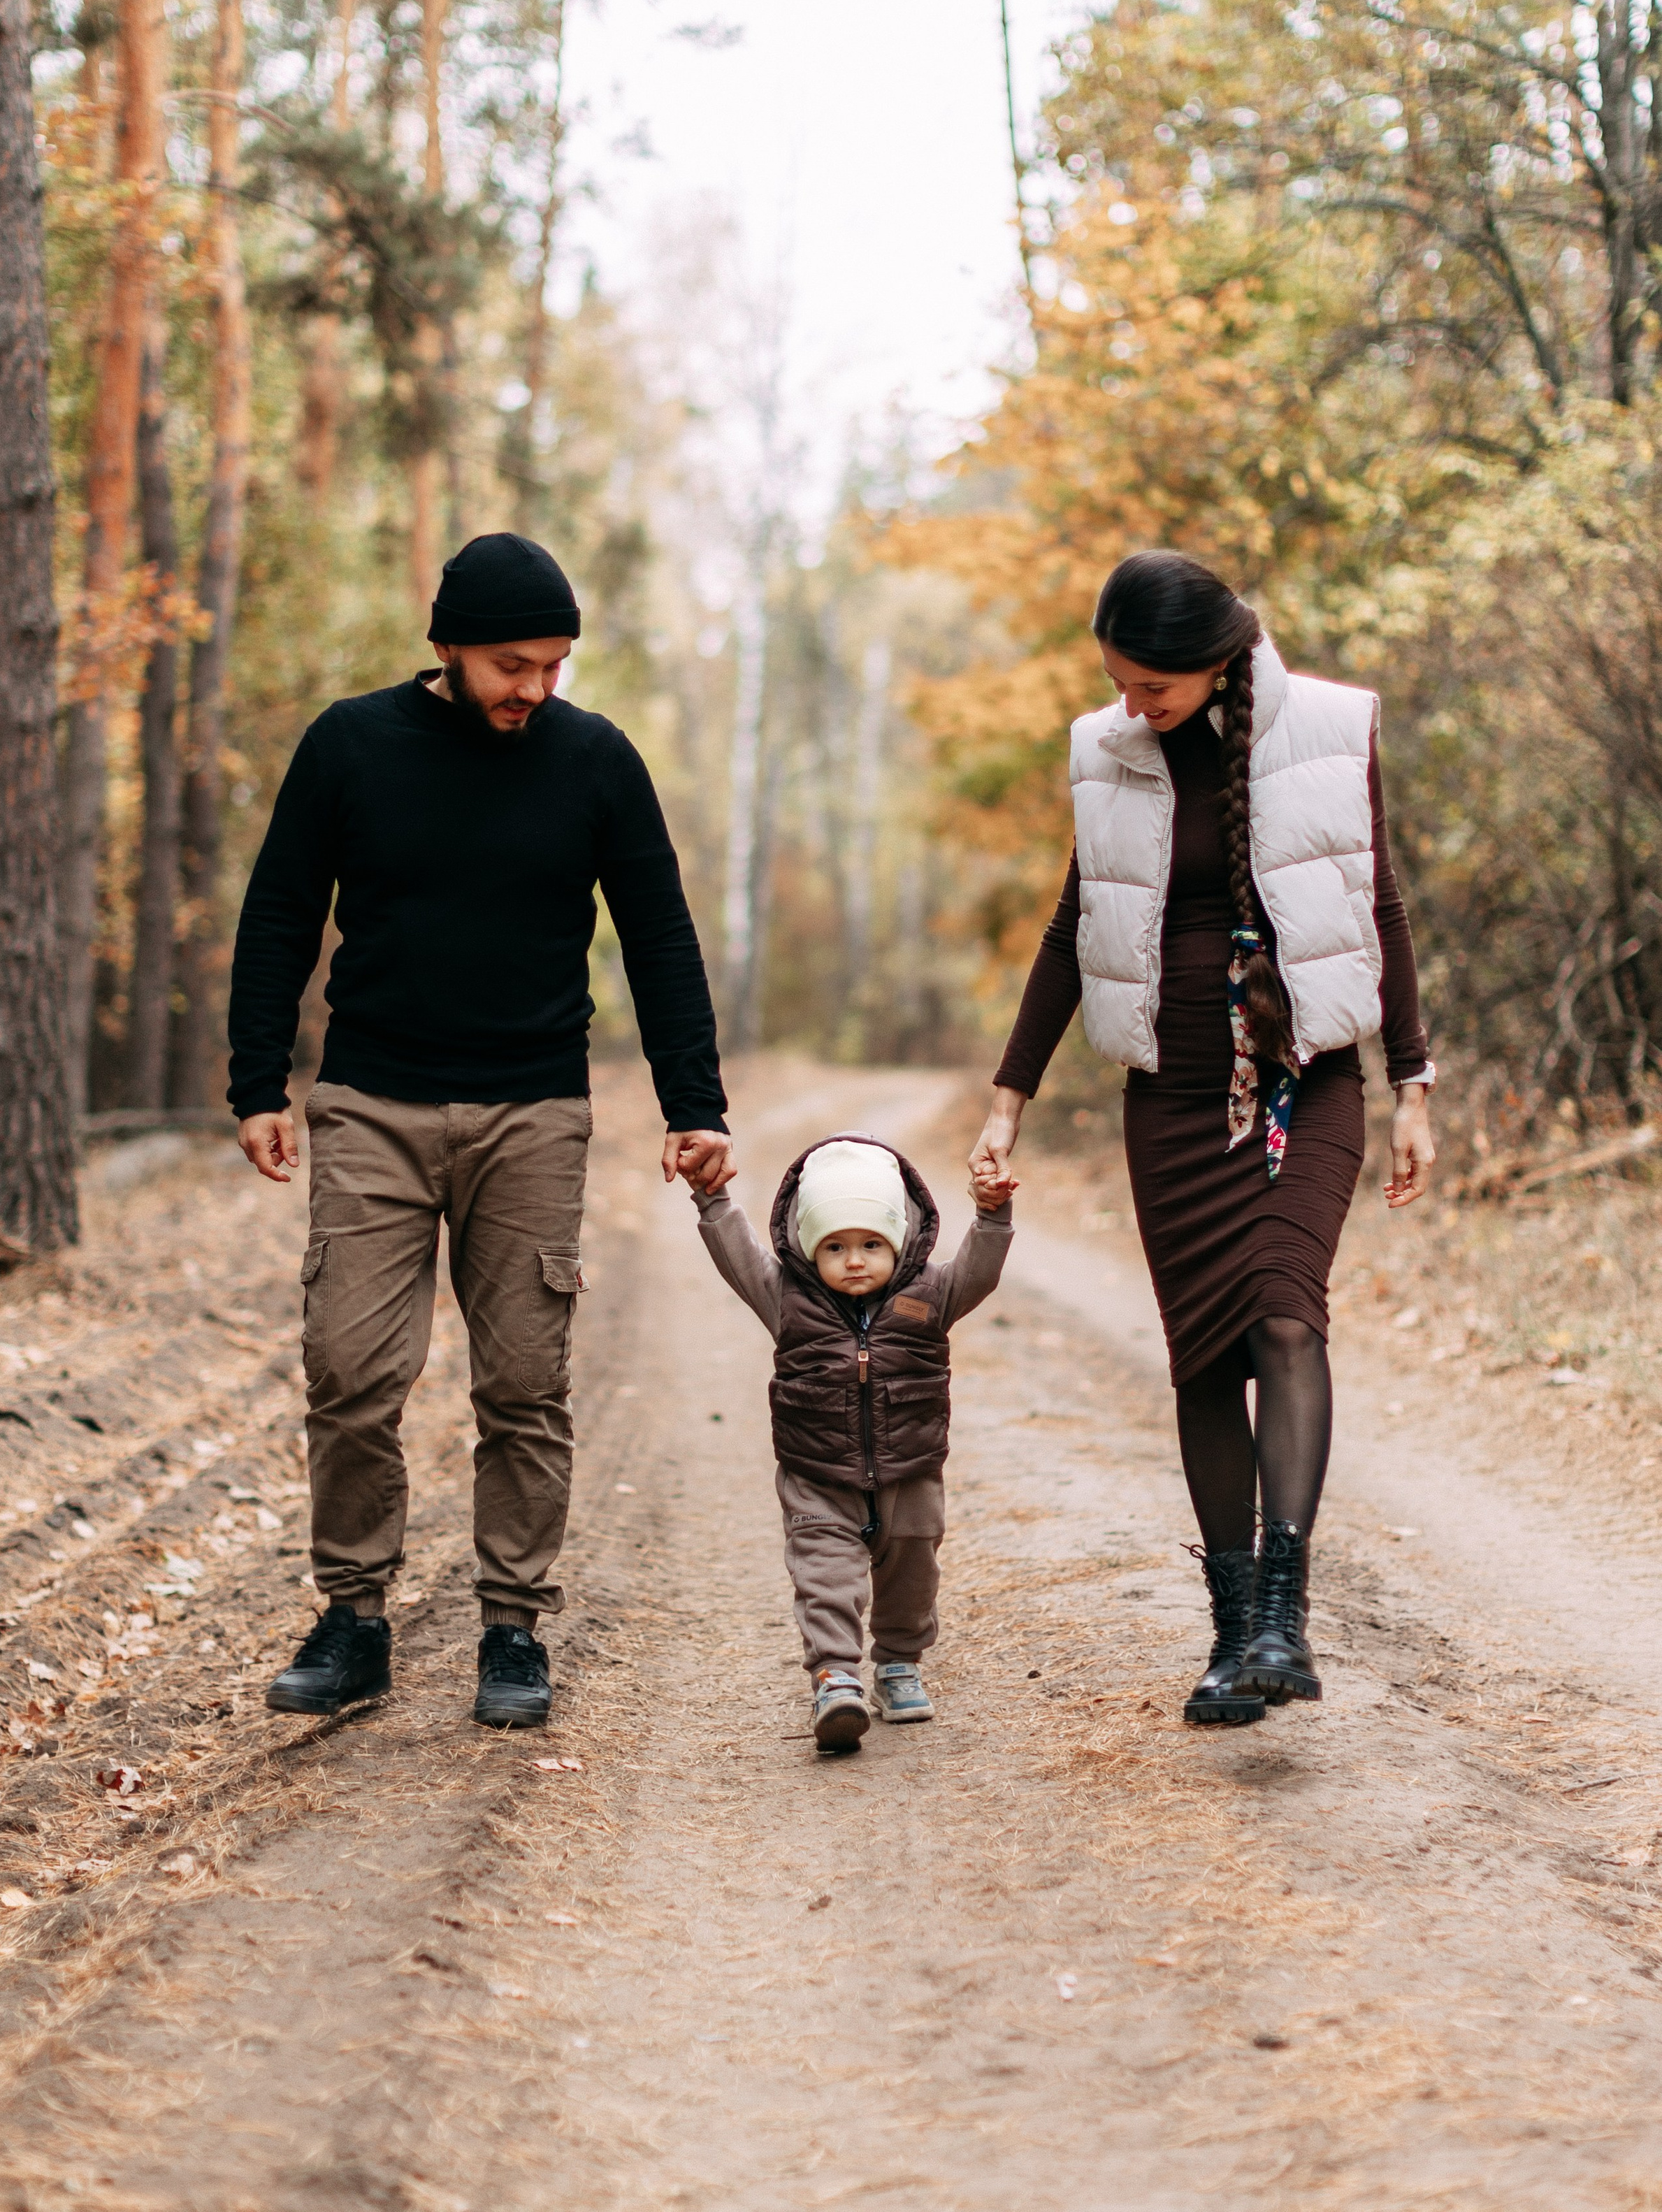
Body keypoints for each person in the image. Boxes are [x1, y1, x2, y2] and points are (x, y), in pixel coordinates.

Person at [228, 532, 734, 1729]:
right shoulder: (351, 746)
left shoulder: (596, 761)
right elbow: (280, 910)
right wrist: (258, 1081)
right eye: (514, 665)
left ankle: (512, 1628)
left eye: (554, 666)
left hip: (534, 1112)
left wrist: (694, 1102)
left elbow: (659, 933)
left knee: (524, 1382)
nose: (535, 689)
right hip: (372, 1105)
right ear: (448, 646)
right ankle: (353, 1620)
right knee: (351, 1370)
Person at [969, 552, 1436, 1727]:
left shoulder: (1326, 730)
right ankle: (1233, 1640)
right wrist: (1007, 1097)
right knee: (1199, 1365)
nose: (1134, 706)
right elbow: (1074, 924)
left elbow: (1377, 902)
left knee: (1286, 1311)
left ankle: (1284, 1611)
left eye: (1153, 688)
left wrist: (1414, 1081)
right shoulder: (1109, 752)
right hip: (1171, 1103)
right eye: (1119, 685)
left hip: (1301, 1084)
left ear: (1214, 656)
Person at [694, 1134, 1014, 1751]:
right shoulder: (786, 1298)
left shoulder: (932, 1296)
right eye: (835, 1246)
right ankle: (836, 1675)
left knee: (912, 1576)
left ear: (900, 1239)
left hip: (911, 1474)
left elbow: (982, 1266)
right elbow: (739, 1256)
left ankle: (898, 1663)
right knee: (825, 1577)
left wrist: (993, 1213)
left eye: (872, 1243)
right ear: (810, 1248)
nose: (856, 1260)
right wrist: (715, 1201)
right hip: (817, 1473)